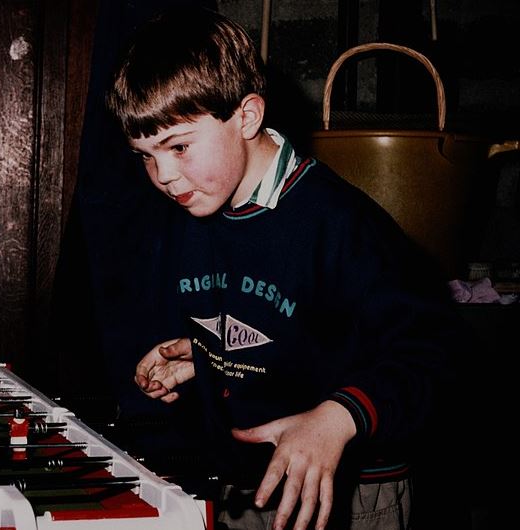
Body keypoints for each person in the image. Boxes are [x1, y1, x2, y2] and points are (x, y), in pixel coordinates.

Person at [105, 8, 464, 530]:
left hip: (350, 493)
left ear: (247, 117)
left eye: (178, 147)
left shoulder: (340, 224)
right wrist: (205, 356)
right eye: (145, 155)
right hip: (246, 484)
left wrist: (338, 418)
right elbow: (293, 330)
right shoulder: (195, 202)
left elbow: (438, 353)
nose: (162, 175)